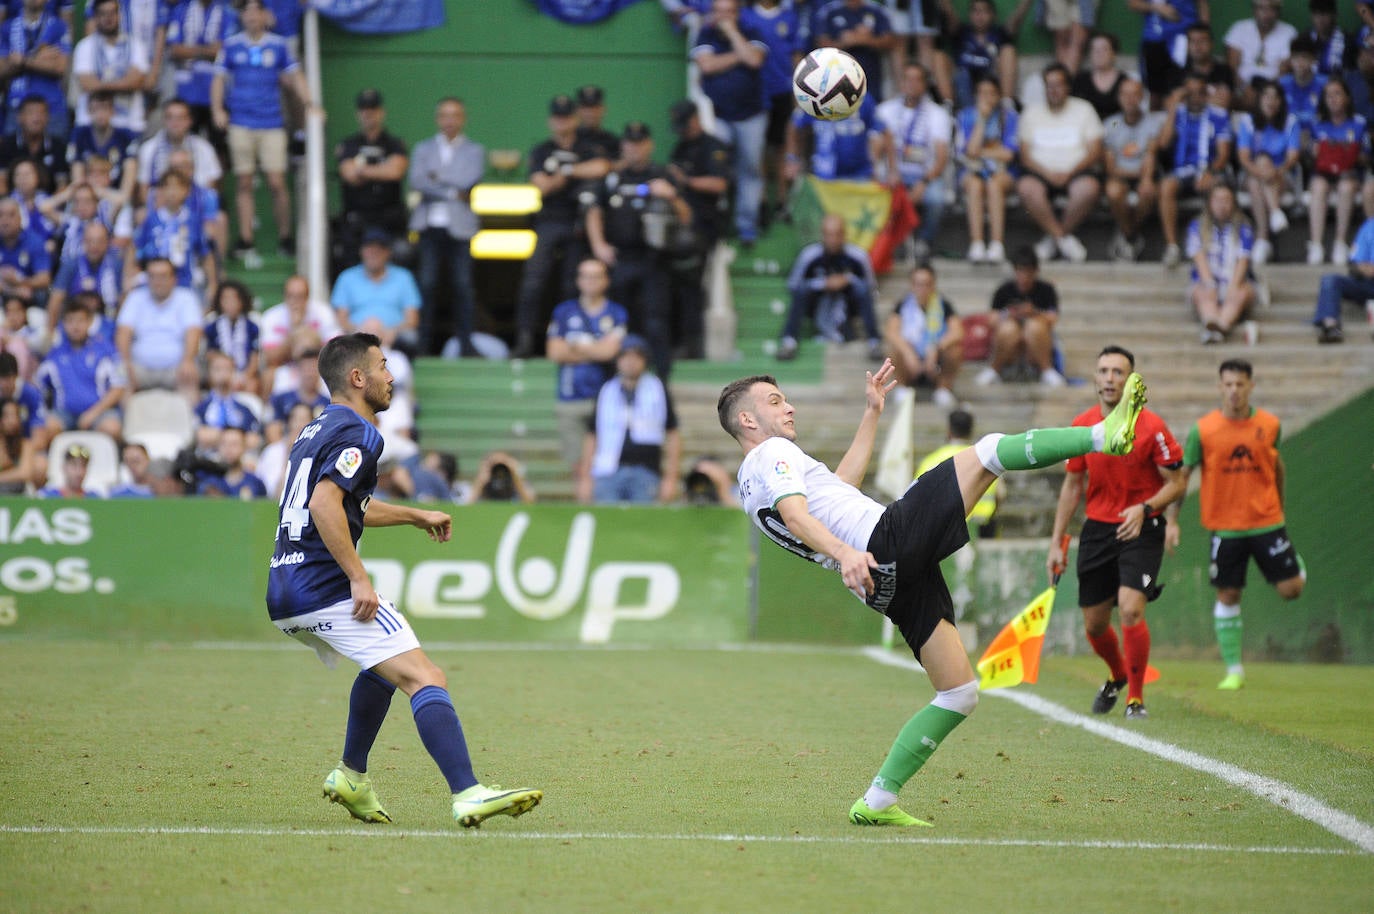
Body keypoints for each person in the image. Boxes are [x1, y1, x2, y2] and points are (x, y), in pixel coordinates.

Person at [717, 358, 1148, 825]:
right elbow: (798, 515)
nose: (790, 408)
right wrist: (844, 554)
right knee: (988, 452)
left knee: (959, 692)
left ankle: (878, 800)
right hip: (881, 541)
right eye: (776, 401)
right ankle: (1104, 436)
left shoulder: (750, 478)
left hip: (880, 581)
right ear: (747, 419)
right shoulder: (770, 455)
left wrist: (872, 413)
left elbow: (838, 490)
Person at [265, 331, 542, 828]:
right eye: (383, 366)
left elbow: (347, 504)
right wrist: (358, 578)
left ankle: (352, 775)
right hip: (321, 586)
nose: (391, 376)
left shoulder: (313, 429)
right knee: (425, 677)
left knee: (382, 665)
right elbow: (324, 505)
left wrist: (414, 515)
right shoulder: (362, 432)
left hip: (285, 587)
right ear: (357, 378)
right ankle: (468, 792)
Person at [1048, 345, 1185, 720]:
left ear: (1131, 381)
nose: (1110, 378)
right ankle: (1119, 673)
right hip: (1097, 529)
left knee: (1129, 609)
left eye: (1118, 372)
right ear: (1094, 378)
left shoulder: (1152, 427)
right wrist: (1057, 543)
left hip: (1142, 526)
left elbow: (1177, 482)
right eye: (1104, 371)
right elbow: (1072, 486)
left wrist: (1146, 509)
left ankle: (1135, 699)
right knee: (1094, 624)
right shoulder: (1083, 425)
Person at [1178, 358, 1305, 690]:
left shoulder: (1270, 425)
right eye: (1228, 384)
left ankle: (1294, 562)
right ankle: (1234, 670)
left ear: (1250, 386)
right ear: (1220, 387)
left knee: (1292, 591)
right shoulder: (1202, 430)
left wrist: (1280, 510)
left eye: (1240, 384)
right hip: (1225, 526)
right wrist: (1172, 520)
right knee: (1228, 593)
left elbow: (1278, 469)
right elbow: (1183, 474)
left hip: (1266, 520)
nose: (1234, 390)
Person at [585, 120, 691, 381]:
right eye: (630, 144)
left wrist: (671, 196)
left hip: (654, 260)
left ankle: (661, 380)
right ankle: (615, 379)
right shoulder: (613, 178)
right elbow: (593, 211)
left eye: (640, 144)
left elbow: (687, 218)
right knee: (618, 323)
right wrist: (599, 245)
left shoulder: (662, 174)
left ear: (649, 145)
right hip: (620, 259)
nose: (634, 149)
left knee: (656, 321)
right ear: (623, 146)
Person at [509, 94, 611, 359]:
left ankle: (569, 338)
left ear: (575, 118)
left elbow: (601, 167)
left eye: (566, 117)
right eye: (557, 117)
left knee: (571, 285)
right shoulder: (542, 149)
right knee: (533, 281)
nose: (562, 122)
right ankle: (525, 339)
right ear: (550, 120)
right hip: (549, 221)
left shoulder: (588, 145)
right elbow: (540, 184)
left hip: (578, 223)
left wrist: (564, 172)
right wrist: (573, 173)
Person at [212, 0, 314, 261]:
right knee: (244, 182)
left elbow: (296, 74)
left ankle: (285, 236)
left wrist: (309, 104)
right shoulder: (231, 45)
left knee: (277, 182)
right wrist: (217, 110)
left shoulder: (278, 45)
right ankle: (246, 239)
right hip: (241, 122)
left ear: (264, 15)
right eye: (247, 12)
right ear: (242, 16)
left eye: (257, 11)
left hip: (271, 122)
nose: (252, 17)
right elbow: (219, 79)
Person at [407, 96, 482, 357]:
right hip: (429, 227)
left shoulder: (474, 151)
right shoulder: (422, 149)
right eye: (445, 115)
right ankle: (423, 345)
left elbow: (469, 179)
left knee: (463, 286)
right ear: (438, 118)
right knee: (426, 285)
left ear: (463, 119)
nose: (450, 121)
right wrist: (452, 191)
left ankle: (466, 344)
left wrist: (436, 178)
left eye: (455, 115)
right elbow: (417, 180)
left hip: (459, 229)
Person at [691, 0, 769, 248]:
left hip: (751, 115)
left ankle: (747, 227)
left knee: (750, 169)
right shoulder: (705, 33)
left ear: (737, 14)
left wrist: (733, 34)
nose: (723, 17)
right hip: (719, 116)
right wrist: (739, 56)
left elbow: (755, 61)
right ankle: (717, 223)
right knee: (716, 169)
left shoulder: (752, 31)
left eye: (728, 12)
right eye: (719, 11)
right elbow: (707, 65)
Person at [546, 257, 627, 479]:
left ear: (606, 280)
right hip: (570, 397)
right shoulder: (564, 311)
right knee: (577, 464)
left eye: (596, 276)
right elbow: (555, 352)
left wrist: (575, 345)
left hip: (605, 398)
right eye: (585, 276)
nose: (590, 281)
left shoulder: (616, 313)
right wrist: (595, 348)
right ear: (578, 280)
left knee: (603, 460)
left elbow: (610, 352)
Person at [579, 333, 681, 505]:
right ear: (618, 360)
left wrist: (671, 478)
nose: (630, 361)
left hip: (646, 471)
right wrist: (585, 478)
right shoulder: (606, 391)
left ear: (645, 360)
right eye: (625, 356)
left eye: (636, 356)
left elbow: (672, 434)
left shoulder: (657, 389)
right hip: (607, 470)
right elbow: (592, 435)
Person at [1015, 63, 1103, 264]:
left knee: (1089, 189)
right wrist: (1048, 174)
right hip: (1040, 174)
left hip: (1076, 172)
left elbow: (1095, 151)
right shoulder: (1031, 113)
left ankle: (1052, 240)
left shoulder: (1084, 110)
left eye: (1058, 85)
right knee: (1026, 188)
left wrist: (1070, 173)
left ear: (1067, 87)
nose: (1053, 90)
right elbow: (1025, 156)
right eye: (1049, 85)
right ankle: (1062, 238)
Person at [666, 99, 730, 360]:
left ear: (695, 119)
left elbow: (719, 184)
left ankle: (694, 346)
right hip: (679, 228)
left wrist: (687, 181)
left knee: (693, 286)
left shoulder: (712, 146)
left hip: (704, 226)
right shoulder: (680, 147)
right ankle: (679, 342)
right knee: (676, 287)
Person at [775, 213, 881, 362]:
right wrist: (823, 284)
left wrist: (848, 280)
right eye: (829, 235)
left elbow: (871, 287)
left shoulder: (858, 256)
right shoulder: (809, 255)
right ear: (822, 235)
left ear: (844, 235)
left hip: (848, 306)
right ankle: (789, 342)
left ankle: (874, 342)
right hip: (817, 304)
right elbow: (793, 285)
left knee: (862, 289)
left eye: (837, 234)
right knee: (802, 291)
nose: (833, 240)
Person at [1156, 71, 1233, 269]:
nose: (1195, 98)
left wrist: (1209, 172)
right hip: (1182, 172)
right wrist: (1173, 108)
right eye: (1189, 93)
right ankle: (1172, 246)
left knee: (1217, 188)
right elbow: (1163, 143)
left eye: (1199, 93)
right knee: (1166, 186)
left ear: (1206, 94)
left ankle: (1215, 244)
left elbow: (1223, 155)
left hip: (1208, 169)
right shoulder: (1178, 114)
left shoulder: (1219, 115)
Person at [874, 63, 950, 260]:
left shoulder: (938, 114)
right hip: (893, 173)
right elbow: (875, 149)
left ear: (925, 84)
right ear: (901, 82)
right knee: (877, 191)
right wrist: (891, 173)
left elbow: (941, 158)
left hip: (925, 175)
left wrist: (923, 183)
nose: (912, 84)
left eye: (917, 79)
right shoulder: (885, 110)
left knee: (935, 198)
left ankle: (924, 242)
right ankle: (890, 242)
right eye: (908, 79)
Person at [333, 88, 409, 273]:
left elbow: (395, 172)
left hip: (389, 220)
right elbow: (349, 174)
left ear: (381, 112)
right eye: (364, 109)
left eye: (373, 109)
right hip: (357, 220)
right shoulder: (349, 144)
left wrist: (362, 170)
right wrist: (381, 169)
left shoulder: (395, 144)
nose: (368, 114)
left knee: (399, 260)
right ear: (358, 113)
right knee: (348, 264)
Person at [35, 296, 125, 440]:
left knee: (111, 428)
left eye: (80, 320)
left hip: (99, 412)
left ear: (89, 322)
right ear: (63, 324)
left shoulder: (105, 351)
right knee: (44, 428)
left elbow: (119, 387)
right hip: (64, 413)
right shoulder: (55, 354)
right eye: (70, 321)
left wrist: (93, 413)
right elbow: (38, 384)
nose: (75, 326)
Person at [976, 245, 1064, 387]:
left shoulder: (1046, 290)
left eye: (1027, 272)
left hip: (1035, 344)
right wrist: (1009, 314)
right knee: (1008, 329)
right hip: (1011, 346)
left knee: (1033, 327)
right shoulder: (1004, 290)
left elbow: (1053, 318)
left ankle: (1047, 369)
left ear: (1035, 271)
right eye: (1020, 272)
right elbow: (991, 319)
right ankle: (994, 369)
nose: (1023, 277)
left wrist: (1034, 313)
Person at [114, 256, 202, 396]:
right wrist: (126, 362)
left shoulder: (186, 298)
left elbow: (193, 333)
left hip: (176, 368)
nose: (158, 281)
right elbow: (123, 333)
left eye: (163, 276)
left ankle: (191, 418)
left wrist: (188, 360)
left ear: (174, 278)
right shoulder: (135, 297)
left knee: (190, 374)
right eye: (152, 276)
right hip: (139, 367)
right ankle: (125, 417)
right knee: (120, 375)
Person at [954, 74, 1018, 264]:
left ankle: (997, 244)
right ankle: (977, 243)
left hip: (1002, 172)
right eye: (982, 93)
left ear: (999, 96)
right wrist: (981, 120)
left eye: (991, 93)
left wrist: (981, 152)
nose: (987, 98)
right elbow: (971, 151)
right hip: (972, 171)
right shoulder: (966, 116)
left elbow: (1008, 154)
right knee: (974, 185)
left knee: (993, 184)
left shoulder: (1010, 117)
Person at [1237, 81, 1299, 266]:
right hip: (1252, 173)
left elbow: (1292, 157)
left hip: (1282, 175)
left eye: (1275, 97)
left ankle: (1262, 238)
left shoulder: (1290, 121)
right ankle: (1275, 212)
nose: (1271, 101)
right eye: (1266, 96)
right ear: (1259, 99)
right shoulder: (1247, 121)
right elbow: (1244, 157)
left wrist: (1275, 172)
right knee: (1261, 164)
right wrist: (1263, 172)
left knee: (1258, 181)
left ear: (1281, 101)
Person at [882, 262, 962, 408]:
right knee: (893, 349)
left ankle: (943, 389)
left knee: (955, 350)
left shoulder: (943, 304)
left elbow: (957, 332)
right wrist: (908, 353)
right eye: (918, 284)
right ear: (912, 285)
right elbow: (891, 332)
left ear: (933, 285)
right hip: (910, 362)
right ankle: (902, 387)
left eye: (926, 284)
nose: (922, 289)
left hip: (936, 362)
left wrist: (937, 348)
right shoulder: (903, 305)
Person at [1306, 77, 1367, 267]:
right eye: (1328, 95)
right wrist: (1314, 150)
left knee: (1346, 187)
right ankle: (1316, 244)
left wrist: (1349, 151)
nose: (1332, 99)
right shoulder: (1317, 124)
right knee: (1317, 186)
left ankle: (1340, 243)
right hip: (1323, 173)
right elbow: (1309, 157)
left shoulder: (1358, 123)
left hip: (1349, 173)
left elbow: (1366, 157)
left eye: (1337, 94)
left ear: (1347, 97)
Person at [330, 228, 421, 355]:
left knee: (411, 338)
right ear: (361, 251)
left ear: (388, 252)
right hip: (356, 335)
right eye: (369, 249)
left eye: (379, 250)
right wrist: (362, 332)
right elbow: (340, 319)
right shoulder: (346, 277)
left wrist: (391, 332)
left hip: (394, 337)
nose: (374, 253)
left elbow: (412, 320)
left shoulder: (404, 277)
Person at [1187, 183, 1256, 345]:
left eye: (1226, 200)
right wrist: (1210, 283)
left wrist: (1233, 286)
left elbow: (1243, 259)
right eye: (1217, 200)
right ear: (1210, 203)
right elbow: (1198, 257)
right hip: (1207, 282)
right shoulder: (1197, 226)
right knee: (1202, 293)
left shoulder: (1243, 227)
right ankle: (1211, 322)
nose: (1221, 205)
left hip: (1235, 281)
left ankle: (1220, 325)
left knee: (1239, 293)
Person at [1101, 78, 1162, 263]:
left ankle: (1125, 234)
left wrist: (1144, 178)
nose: (1130, 99)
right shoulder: (1112, 124)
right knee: (1113, 191)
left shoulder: (1153, 122)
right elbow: (1110, 166)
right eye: (1125, 94)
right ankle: (1131, 235)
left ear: (1142, 97)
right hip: (1121, 176)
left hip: (1145, 175)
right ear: (1119, 97)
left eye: (1134, 94)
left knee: (1148, 191)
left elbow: (1151, 155)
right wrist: (1131, 173)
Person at [914, 408, 998, 536]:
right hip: (982, 529)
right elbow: (1000, 495)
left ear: (949, 430)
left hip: (944, 533)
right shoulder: (984, 459)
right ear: (971, 430)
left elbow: (917, 499)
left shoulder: (931, 461)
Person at [72, 0, 147, 135]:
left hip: (130, 123)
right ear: (95, 17)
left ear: (120, 15)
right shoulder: (84, 47)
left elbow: (136, 81)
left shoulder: (136, 45)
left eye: (113, 12)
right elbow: (88, 84)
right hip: (91, 124)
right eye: (103, 13)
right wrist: (124, 83)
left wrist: (101, 84)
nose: (109, 18)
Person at [0, 0, 71, 141]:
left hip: (52, 107)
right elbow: (1, 69)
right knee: (13, 161)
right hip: (16, 106)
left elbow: (60, 67)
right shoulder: (7, 28)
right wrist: (39, 59)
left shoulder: (58, 26)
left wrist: (22, 59)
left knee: (54, 160)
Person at [136, 98, 223, 203]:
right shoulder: (148, 148)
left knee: (219, 218)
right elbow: (143, 188)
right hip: (159, 205)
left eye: (180, 118)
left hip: (195, 205)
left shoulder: (204, 148)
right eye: (170, 117)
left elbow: (211, 185)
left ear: (189, 121)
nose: (175, 123)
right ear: (164, 120)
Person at [811, 0, 898, 102]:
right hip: (836, 79)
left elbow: (891, 41)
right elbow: (820, 44)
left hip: (870, 78)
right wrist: (843, 43)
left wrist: (867, 40)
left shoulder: (877, 10)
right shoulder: (828, 11)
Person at [1129, 0, 1208, 110]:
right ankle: (1156, 124)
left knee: (1186, 89)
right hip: (1154, 39)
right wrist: (1157, 8)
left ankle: (1186, 125)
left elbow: (1203, 4)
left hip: (1185, 37)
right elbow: (1133, 3)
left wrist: (1204, 31)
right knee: (1155, 93)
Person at [1311, 213, 1374, 344]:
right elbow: (1355, 265)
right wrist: (1365, 268)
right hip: (1369, 284)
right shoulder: (1370, 226)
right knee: (1331, 280)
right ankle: (1330, 325)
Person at [1224, 0, 1296, 111]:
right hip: (1241, 88)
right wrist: (1244, 88)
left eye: (1271, 8)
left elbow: (1284, 71)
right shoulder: (1239, 28)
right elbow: (1231, 67)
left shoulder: (1289, 32)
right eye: (1261, 8)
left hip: (1273, 88)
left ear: (1278, 11)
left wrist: (1265, 93)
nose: (1266, 14)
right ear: (1254, 9)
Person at [260, 274, 339, 373]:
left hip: (316, 369)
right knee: (269, 373)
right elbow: (270, 359)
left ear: (307, 297)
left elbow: (335, 352)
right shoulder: (271, 316)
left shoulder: (324, 313)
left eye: (300, 296)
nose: (295, 302)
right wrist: (294, 332)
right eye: (291, 296)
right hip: (285, 368)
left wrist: (308, 340)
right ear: (284, 296)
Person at [204, 279, 260, 394]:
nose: (230, 303)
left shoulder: (252, 326)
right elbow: (210, 355)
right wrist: (226, 373)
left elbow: (254, 358)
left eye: (234, 299)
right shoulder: (212, 326)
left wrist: (244, 377)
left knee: (252, 385)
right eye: (226, 299)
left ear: (242, 301)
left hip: (245, 373)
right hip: (220, 372)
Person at [1071, 31, 1127, 122]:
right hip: (1087, 129)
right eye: (1095, 49)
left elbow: (1128, 115)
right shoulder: (1080, 81)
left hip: (1115, 128)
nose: (1099, 54)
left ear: (1114, 53)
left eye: (1104, 49)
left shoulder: (1124, 82)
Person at [197, 425, 265, 498]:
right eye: (224, 444)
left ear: (244, 447)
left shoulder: (255, 483)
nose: (228, 449)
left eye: (234, 444)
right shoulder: (209, 482)